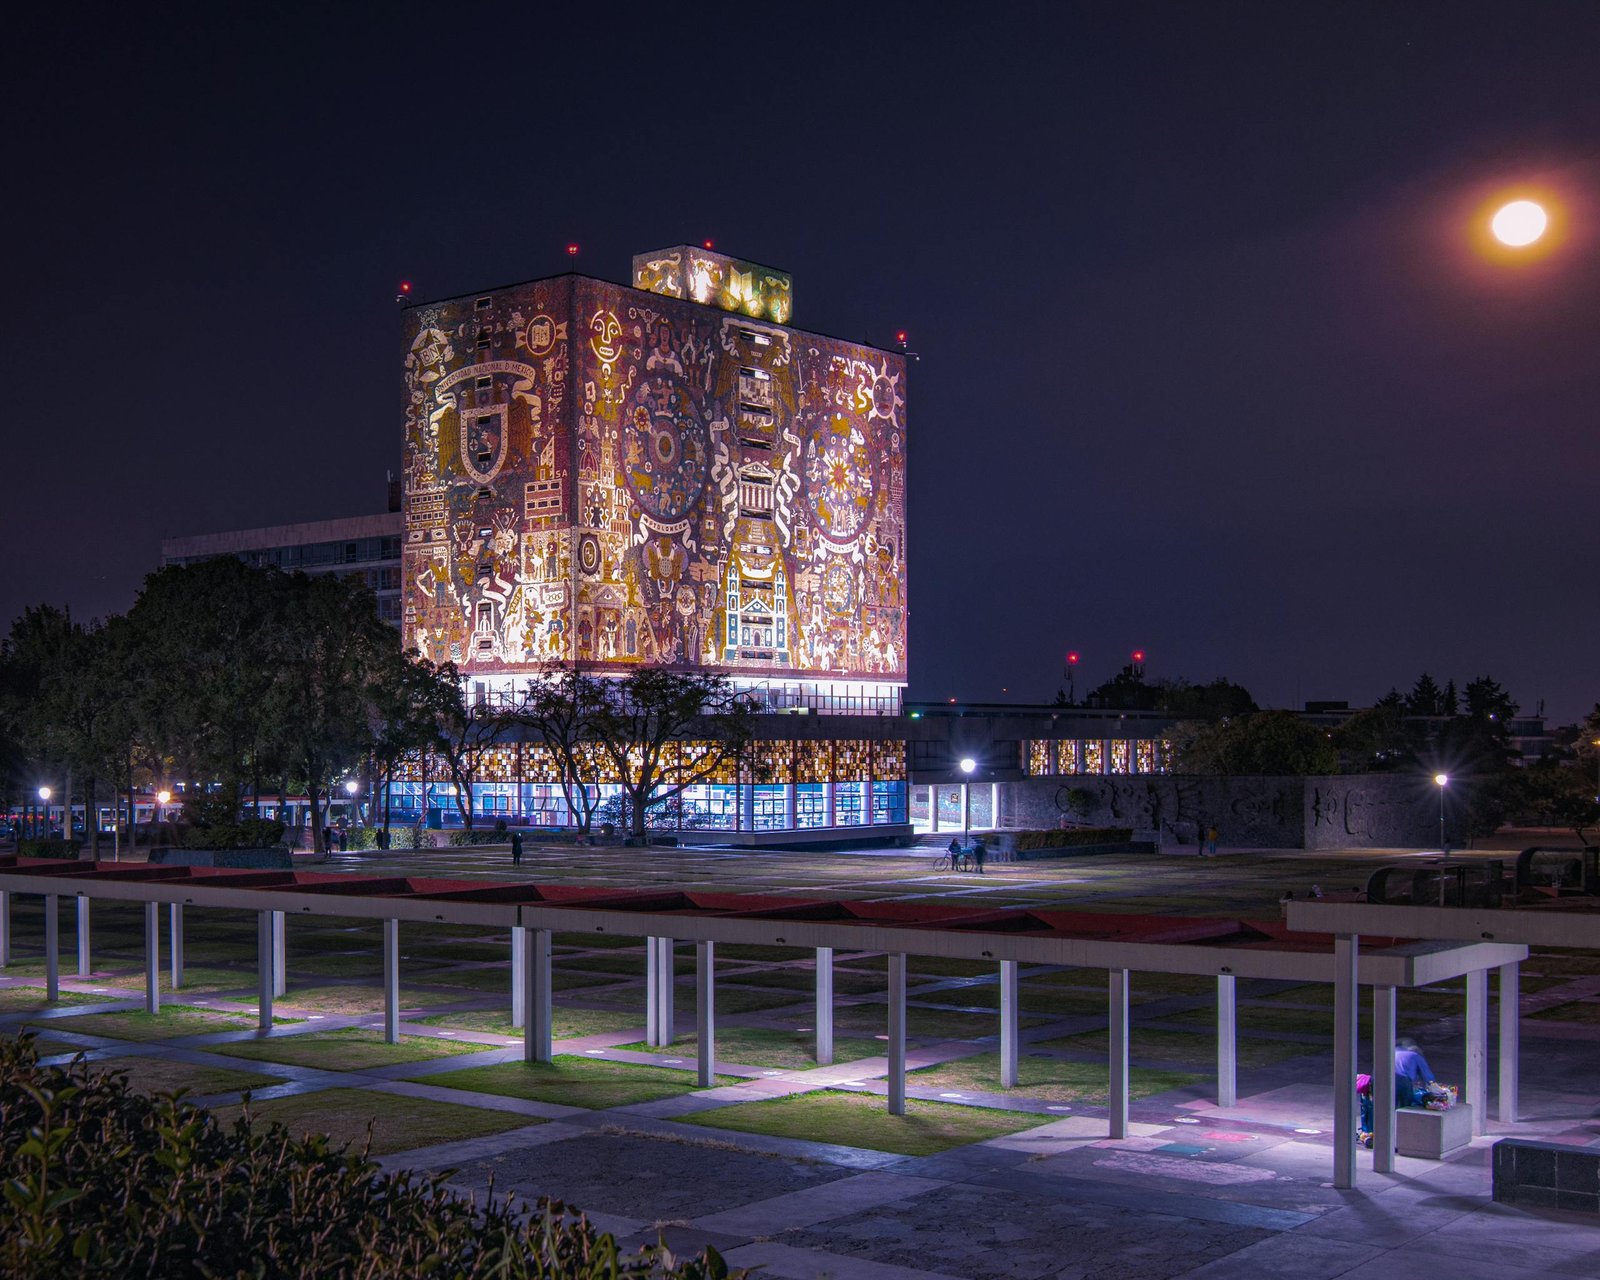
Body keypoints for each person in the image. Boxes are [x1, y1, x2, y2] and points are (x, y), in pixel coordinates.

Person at [1394, 1037, 1437, 1109]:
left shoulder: (1393, 1053)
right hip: (1405, 1083)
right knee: (1405, 1108)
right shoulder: (1415, 1056)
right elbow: (1428, 1076)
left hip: (1388, 1082)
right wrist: (1435, 1090)